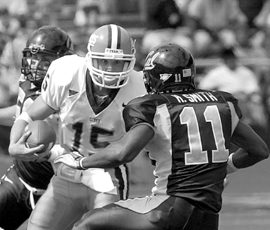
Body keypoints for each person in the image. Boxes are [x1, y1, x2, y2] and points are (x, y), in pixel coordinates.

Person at [54, 43, 269, 230]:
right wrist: (224, 167)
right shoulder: (221, 103)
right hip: (207, 217)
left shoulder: (155, 107)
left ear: (158, 78)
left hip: (169, 209)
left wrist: (80, 162)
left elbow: (122, 153)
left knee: (89, 224)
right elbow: (259, 150)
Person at [8, 24, 147, 230]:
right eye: (104, 60)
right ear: (90, 57)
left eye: (118, 62)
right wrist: (14, 144)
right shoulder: (68, 72)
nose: (110, 69)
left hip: (108, 180)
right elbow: (29, 115)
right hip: (66, 176)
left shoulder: (139, 88)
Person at [0, 25, 73, 230]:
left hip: (58, 189)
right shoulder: (27, 82)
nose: (36, 65)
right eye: (33, 58)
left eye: (45, 59)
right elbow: (20, 113)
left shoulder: (71, 95)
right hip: (22, 178)